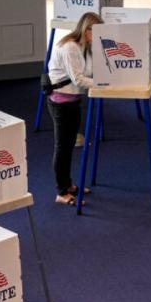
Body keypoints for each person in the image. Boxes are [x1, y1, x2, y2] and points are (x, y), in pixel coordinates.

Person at [46, 11, 103, 206]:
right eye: (96, 32)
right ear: (87, 30)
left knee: (70, 144)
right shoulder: (70, 48)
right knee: (62, 147)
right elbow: (78, 79)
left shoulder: (85, 47)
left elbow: (91, 72)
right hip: (60, 102)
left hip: (73, 100)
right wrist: (104, 83)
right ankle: (61, 192)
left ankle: (68, 184)